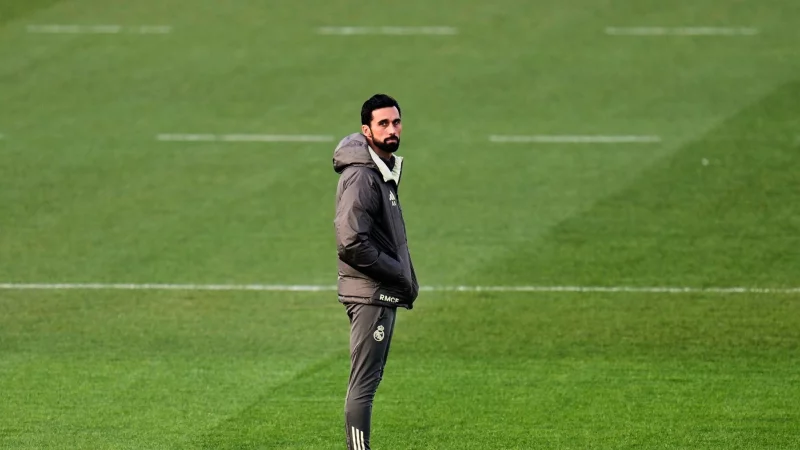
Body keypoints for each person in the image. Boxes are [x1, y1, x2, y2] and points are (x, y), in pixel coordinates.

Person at [333, 93, 420, 450]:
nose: (391, 129)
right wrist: (395, 273)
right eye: (382, 123)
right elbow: (350, 241)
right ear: (366, 129)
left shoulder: (381, 171)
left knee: (371, 379)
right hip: (371, 292)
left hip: (381, 289)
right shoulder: (362, 178)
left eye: (396, 122)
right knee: (364, 383)